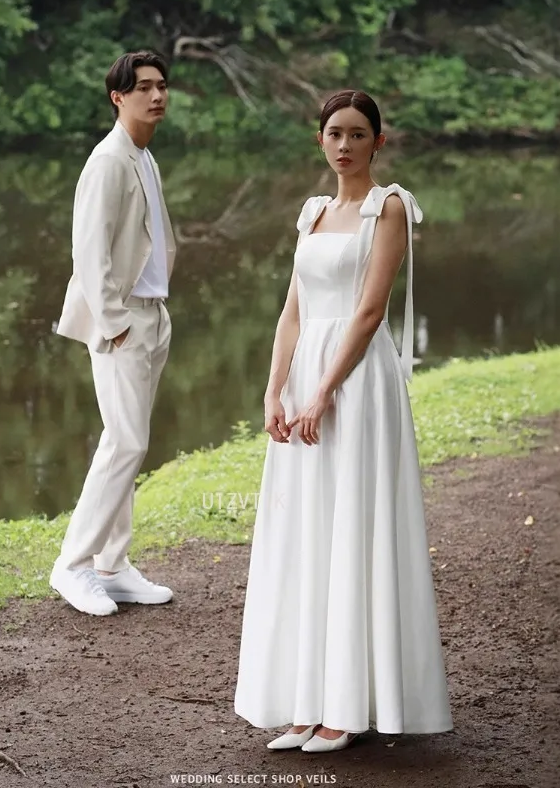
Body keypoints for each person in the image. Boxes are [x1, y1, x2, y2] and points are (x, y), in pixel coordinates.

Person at [234, 90, 453, 752]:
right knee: (307, 531)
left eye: (358, 134)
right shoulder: (312, 213)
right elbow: (293, 312)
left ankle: (349, 708)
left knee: (353, 527)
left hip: (356, 383)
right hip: (306, 375)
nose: (345, 144)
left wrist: (325, 391)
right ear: (320, 140)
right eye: (335, 133)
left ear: (378, 142)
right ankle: (308, 702)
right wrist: (276, 391)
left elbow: (369, 310)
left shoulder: (390, 207)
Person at [50, 50, 176, 616]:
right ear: (118, 97)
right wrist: (115, 323)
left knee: (129, 440)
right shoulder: (107, 160)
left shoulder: (143, 156)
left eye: (161, 85)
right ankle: (73, 564)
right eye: (143, 87)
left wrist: (154, 311)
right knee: (125, 442)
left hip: (153, 315)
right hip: (123, 321)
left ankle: (113, 565)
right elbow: (89, 251)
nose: (157, 95)